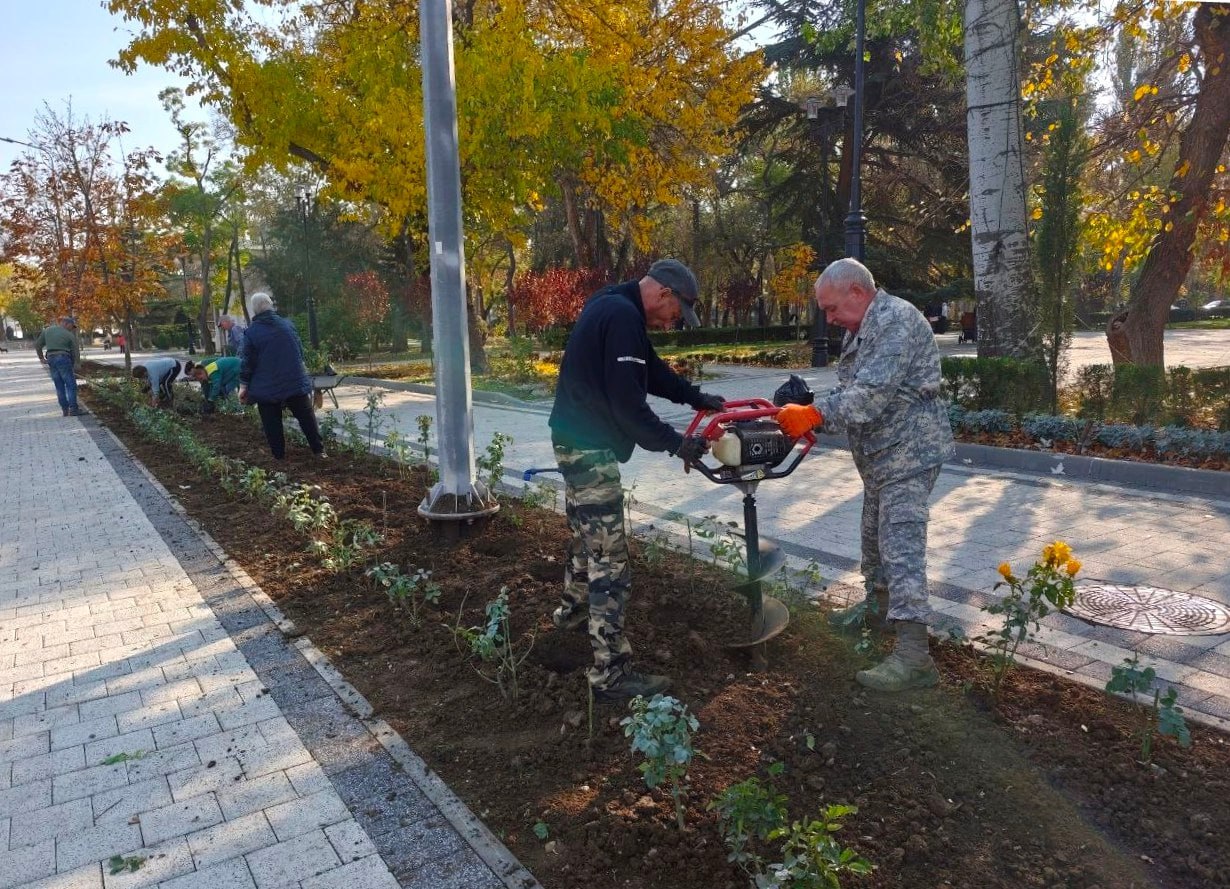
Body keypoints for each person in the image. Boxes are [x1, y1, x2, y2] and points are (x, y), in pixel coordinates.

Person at [548, 259, 725, 703]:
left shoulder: (613, 303)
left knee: (585, 534)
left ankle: (571, 612)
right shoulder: (624, 316)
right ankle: (610, 675)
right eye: (675, 314)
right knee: (611, 559)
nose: (673, 324)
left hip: (572, 439)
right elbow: (629, 405)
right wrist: (675, 443)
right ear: (664, 293)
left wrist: (694, 396)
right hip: (588, 448)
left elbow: (650, 370)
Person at [776, 258, 954, 692]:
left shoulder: (895, 321)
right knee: (873, 538)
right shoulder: (862, 328)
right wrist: (813, 406)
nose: (830, 319)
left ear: (857, 291)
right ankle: (876, 613)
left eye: (833, 308)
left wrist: (815, 415)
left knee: (901, 546)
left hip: (909, 454)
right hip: (881, 458)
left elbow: (871, 397)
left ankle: (915, 657)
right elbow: (854, 390)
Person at [239, 291, 326, 460]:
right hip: (294, 381)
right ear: (270, 306)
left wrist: (243, 386)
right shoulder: (287, 325)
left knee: (272, 422)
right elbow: (299, 351)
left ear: (254, 311)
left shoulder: (251, 333)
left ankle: (279, 456)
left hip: (266, 387)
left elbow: (247, 362)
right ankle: (319, 450)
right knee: (306, 417)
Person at [34, 317, 82, 416]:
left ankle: (65, 409)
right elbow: (74, 352)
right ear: (65, 323)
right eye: (71, 326)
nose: (72, 329)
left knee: (59, 385)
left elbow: (38, 345)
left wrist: (41, 358)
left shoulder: (47, 330)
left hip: (51, 358)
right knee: (70, 384)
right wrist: (72, 365)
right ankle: (73, 409)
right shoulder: (69, 335)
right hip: (64, 358)